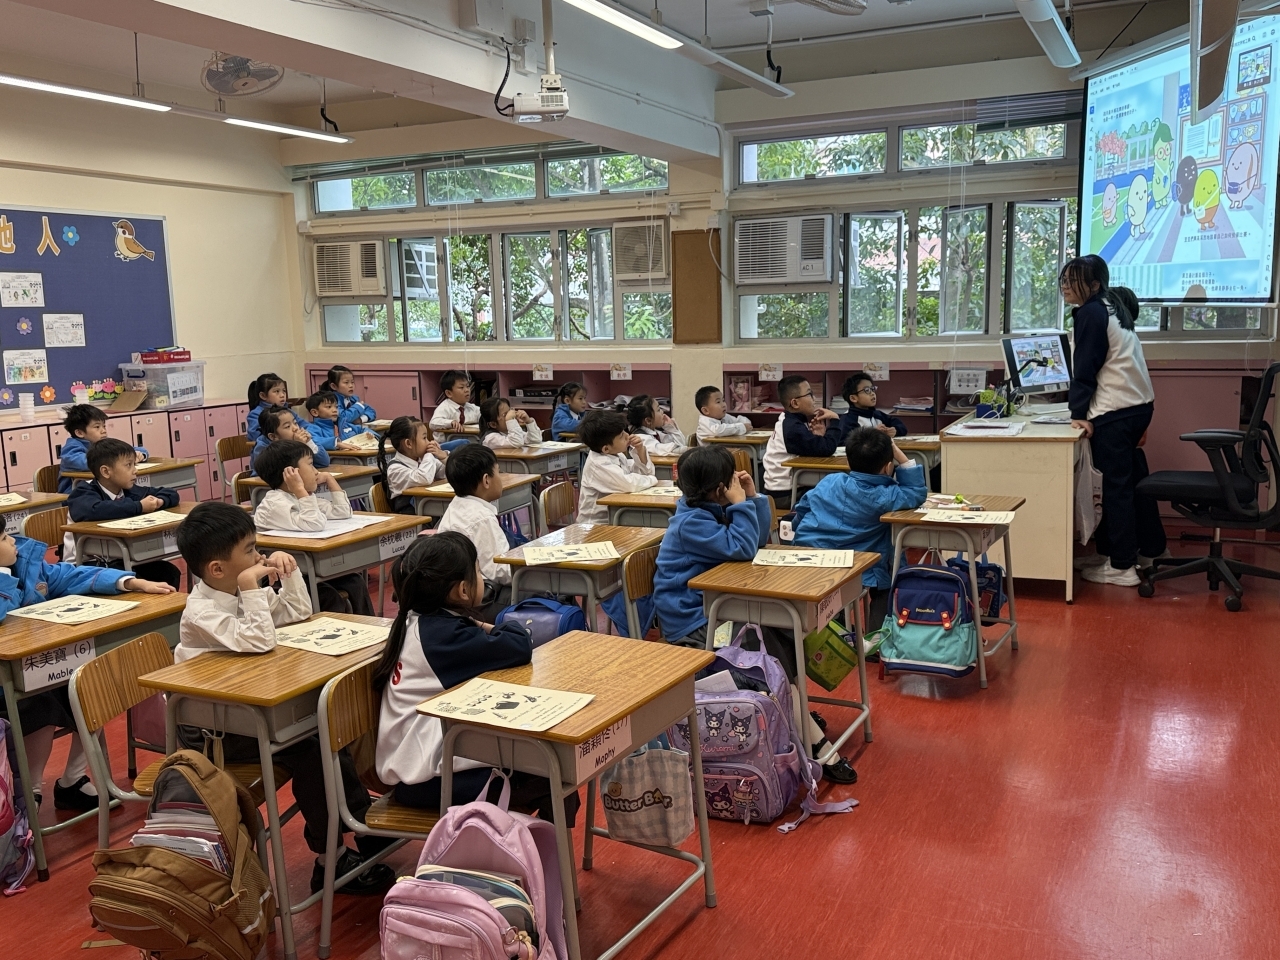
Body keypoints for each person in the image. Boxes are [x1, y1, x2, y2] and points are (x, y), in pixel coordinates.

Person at [174, 502, 394, 896]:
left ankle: (360, 824)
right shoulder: (201, 612)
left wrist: (288, 575)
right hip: (213, 732)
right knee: (311, 745)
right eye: (249, 550)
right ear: (217, 569)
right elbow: (260, 641)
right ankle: (331, 859)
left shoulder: (238, 588)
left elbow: (296, 614)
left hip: (249, 708)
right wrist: (251, 589)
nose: (259, 556)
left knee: (327, 726)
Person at [652, 445, 857, 784]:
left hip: (720, 607)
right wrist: (740, 504)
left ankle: (791, 706)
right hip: (695, 623)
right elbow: (743, 548)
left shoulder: (707, 509)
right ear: (719, 488)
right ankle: (811, 736)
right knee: (764, 651)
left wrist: (753, 497)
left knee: (782, 630)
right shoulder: (690, 523)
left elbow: (758, 540)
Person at [373, 533, 576, 822]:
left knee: (543, 766)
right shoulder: (444, 637)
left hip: (419, 766)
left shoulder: (417, 622)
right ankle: (537, 847)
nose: (482, 578)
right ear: (463, 590)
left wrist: (472, 623)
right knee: (553, 774)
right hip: (427, 780)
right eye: (478, 572)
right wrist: (479, 623)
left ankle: (535, 845)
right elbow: (519, 644)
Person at [0, 531, 172, 810]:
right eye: (2, 538)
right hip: (9, 682)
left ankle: (73, 779)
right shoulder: (8, 573)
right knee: (38, 702)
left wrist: (130, 581)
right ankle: (29, 794)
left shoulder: (26, 563)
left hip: (41, 665)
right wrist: (3, 575)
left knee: (94, 684)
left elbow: (68, 575)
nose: (12, 541)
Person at [1061, 255, 1167, 587]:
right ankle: (1135, 552)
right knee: (1129, 482)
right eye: (1063, 279)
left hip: (1116, 410)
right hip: (1138, 406)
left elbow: (1085, 367)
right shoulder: (1111, 306)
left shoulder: (1091, 312)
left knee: (1115, 489)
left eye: (1073, 280)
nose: (1065, 285)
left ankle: (1122, 566)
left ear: (1094, 284)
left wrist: (1078, 415)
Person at [791, 427, 928, 628]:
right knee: (889, 575)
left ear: (848, 462)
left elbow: (802, 509)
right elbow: (916, 492)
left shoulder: (830, 481)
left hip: (807, 554)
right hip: (853, 564)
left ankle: (836, 627)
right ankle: (877, 635)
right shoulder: (886, 496)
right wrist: (900, 455)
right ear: (888, 467)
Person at [253, 440, 373, 615]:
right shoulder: (275, 504)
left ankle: (368, 628)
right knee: (329, 596)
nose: (316, 471)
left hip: (305, 570)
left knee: (355, 581)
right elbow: (314, 524)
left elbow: (342, 512)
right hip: (281, 577)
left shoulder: (299, 497)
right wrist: (300, 489)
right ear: (291, 473)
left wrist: (330, 480)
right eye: (310, 464)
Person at [67, 438, 182, 588]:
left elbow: (170, 493)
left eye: (134, 464)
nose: (135, 470)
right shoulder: (83, 492)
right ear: (106, 471)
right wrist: (139, 506)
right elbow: (96, 509)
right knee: (135, 579)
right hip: (88, 563)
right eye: (128, 465)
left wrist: (159, 501)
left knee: (168, 572)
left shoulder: (129, 490)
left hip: (119, 556)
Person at [435, 444, 511, 622]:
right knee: (551, 591)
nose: (501, 477)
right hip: (480, 601)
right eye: (498, 472)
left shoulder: (457, 504)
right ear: (486, 480)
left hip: (455, 596)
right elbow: (499, 571)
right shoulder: (480, 518)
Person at [761, 375, 840, 508]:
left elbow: (814, 448)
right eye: (809, 394)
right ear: (795, 403)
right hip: (785, 496)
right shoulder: (792, 428)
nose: (814, 399)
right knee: (834, 493)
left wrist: (819, 437)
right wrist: (835, 420)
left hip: (788, 490)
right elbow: (827, 448)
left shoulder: (791, 420)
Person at [577, 410, 657, 523]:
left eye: (624, 431)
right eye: (621, 436)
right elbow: (629, 484)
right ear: (606, 448)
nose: (627, 436)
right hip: (595, 525)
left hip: (615, 517)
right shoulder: (598, 464)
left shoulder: (616, 454)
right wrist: (652, 479)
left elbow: (642, 473)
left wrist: (640, 450)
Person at [58, 404, 148, 494]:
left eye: (104, 426)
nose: (103, 431)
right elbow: (91, 462)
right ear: (80, 433)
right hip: (74, 495)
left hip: (98, 491)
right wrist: (119, 459)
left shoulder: (102, 443)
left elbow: (132, 449)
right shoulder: (71, 449)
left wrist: (139, 454)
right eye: (97, 427)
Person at [376, 416, 446, 513]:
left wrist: (443, 457)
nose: (429, 442)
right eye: (424, 438)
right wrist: (429, 453)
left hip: (429, 511)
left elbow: (446, 473)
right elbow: (424, 478)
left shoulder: (421, 459)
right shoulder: (395, 469)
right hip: (411, 516)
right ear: (408, 443)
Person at [251, 404, 329, 475]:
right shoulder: (263, 449)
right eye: (287, 426)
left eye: (295, 423)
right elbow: (283, 473)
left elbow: (324, 462)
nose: (295, 428)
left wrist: (309, 442)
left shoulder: (299, 440)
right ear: (273, 437)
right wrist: (298, 448)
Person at [837, 373, 907, 442]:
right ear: (853, 398)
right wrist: (873, 434)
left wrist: (895, 430)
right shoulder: (847, 420)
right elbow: (844, 442)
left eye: (872, 389)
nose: (872, 393)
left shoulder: (877, 414)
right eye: (867, 390)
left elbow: (901, 426)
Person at [429, 370, 480, 452]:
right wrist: (450, 423)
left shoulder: (472, 408)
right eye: (461, 387)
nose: (467, 390)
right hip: (446, 448)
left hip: (469, 444)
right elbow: (433, 423)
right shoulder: (444, 407)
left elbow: (484, 416)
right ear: (449, 393)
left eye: (468, 386)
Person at [325, 364, 377, 430]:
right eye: (346, 382)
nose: (351, 386)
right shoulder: (332, 401)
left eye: (352, 382)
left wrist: (361, 419)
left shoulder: (353, 398)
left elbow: (371, 411)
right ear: (334, 386)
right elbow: (342, 418)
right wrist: (358, 407)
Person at [245, 373, 288, 442]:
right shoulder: (255, 414)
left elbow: (304, 425)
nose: (282, 395)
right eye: (277, 391)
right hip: (268, 447)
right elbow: (255, 436)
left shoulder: (287, 411)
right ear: (263, 396)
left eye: (284, 391)